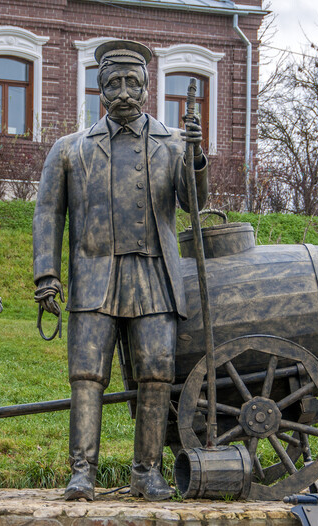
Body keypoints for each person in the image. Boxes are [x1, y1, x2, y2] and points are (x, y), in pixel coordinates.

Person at [32, 39, 207, 501]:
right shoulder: (70, 150)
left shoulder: (172, 144)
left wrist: (196, 157)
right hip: (94, 276)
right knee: (87, 375)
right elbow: (48, 213)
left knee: (156, 373)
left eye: (133, 81)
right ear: (100, 88)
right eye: (115, 82)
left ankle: (146, 472)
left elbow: (194, 203)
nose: (125, 90)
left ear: (148, 88)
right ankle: (81, 472)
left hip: (154, 276)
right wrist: (46, 275)